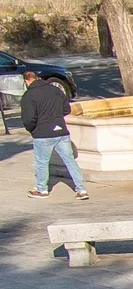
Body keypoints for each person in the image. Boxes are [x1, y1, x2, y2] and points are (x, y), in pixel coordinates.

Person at [20, 70, 88, 201]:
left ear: (26, 81)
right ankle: (81, 189)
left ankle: (42, 189)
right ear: (38, 78)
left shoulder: (29, 95)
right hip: (61, 131)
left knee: (42, 162)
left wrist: (31, 129)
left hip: (42, 134)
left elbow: (29, 118)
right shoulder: (55, 90)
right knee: (69, 160)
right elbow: (66, 109)